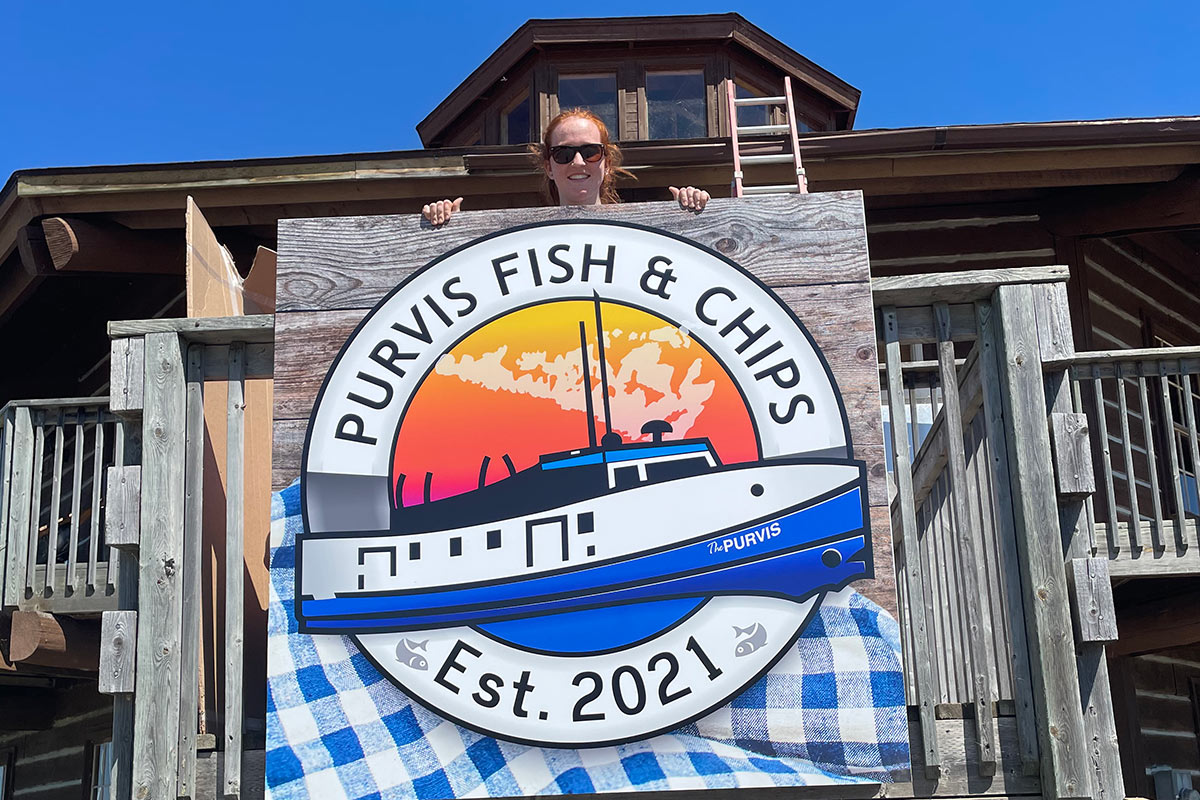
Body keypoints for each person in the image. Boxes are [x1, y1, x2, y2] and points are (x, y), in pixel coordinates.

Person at [422, 108, 710, 225]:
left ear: (607, 163)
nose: (578, 162)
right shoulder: (523, 235)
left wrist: (694, 215)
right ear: (548, 166)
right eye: (563, 154)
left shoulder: (642, 227)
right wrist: (450, 229)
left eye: (590, 152)